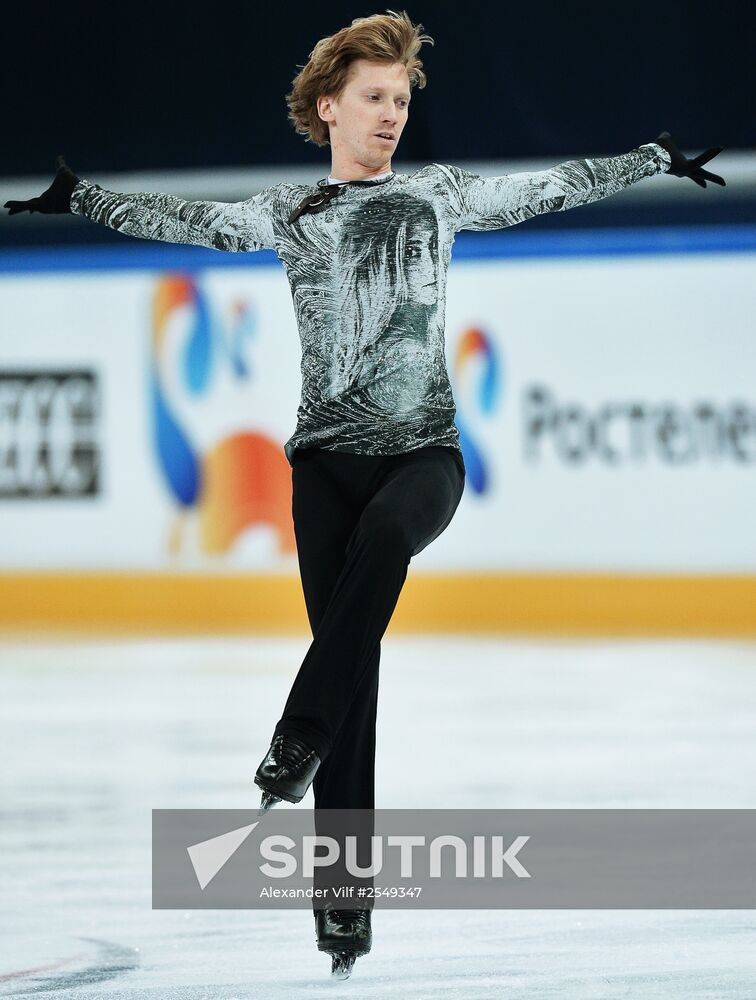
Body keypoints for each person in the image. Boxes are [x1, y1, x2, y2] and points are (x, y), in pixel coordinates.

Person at [4, 8, 725, 981]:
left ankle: (293, 739)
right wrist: (82, 197)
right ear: (327, 107)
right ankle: (343, 910)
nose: (391, 116)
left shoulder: (438, 197)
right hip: (321, 469)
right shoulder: (289, 214)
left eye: (401, 100)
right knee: (359, 676)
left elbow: (544, 188)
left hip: (424, 460)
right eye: (375, 101)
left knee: (387, 542)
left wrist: (648, 157)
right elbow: (194, 222)